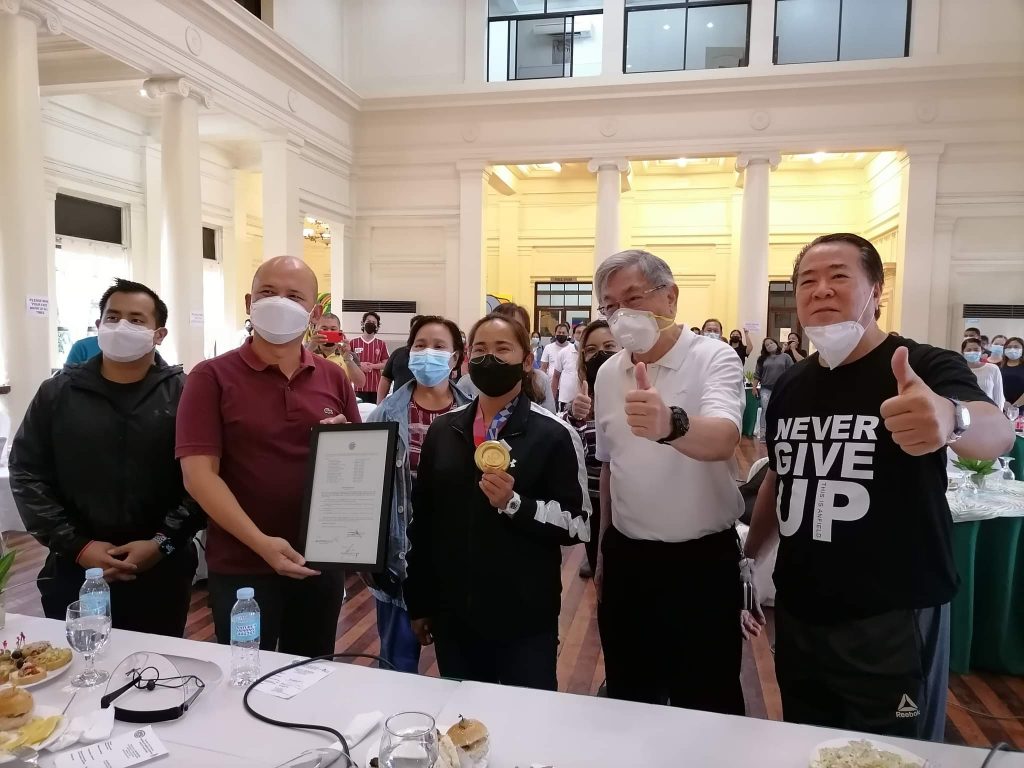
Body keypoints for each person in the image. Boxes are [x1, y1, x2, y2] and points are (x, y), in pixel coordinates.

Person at [742, 233, 1014, 743]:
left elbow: (995, 431)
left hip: (892, 613)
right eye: (807, 281)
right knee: (808, 742)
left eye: (838, 276)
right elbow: (781, 477)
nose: (821, 290)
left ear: (876, 290)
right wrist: (751, 559)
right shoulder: (794, 385)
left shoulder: (921, 365)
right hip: (802, 611)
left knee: (894, 751)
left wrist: (950, 418)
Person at [177, 256, 361, 657]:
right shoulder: (210, 377)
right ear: (249, 303)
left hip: (320, 559)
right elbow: (199, 475)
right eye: (267, 292)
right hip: (242, 564)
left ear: (313, 313)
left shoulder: (333, 377)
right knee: (245, 674)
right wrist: (261, 543)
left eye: (294, 296)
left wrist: (344, 444)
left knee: (312, 670)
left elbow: (357, 463)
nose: (279, 302)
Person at [592, 249, 746, 714]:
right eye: (610, 306)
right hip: (629, 559)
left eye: (633, 298)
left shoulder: (712, 357)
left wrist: (670, 425)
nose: (621, 315)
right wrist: (603, 549)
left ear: (670, 297)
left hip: (701, 562)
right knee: (629, 694)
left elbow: (725, 438)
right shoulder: (608, 373)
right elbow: (611, 467)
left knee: (707, 699)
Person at [404, 314, 591, 690]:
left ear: (527, 360)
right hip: (455, 615)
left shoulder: (554, 434)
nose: (489, 359)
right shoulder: (444, 431)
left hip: (525, 618)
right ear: (467, 359)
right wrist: (420, 601)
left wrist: (515, 504)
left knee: (528, 716)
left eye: (502, 349)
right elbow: (423, 523)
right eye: (480, 350)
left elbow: (577, 523)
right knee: (462, 713)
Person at [10, 279, 203, 637]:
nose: (121, 326)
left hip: (161, 568)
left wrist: (161, 543)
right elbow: (27, 472)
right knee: (75, 661)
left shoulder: (187, 394)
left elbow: (204, 480)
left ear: (159, 334)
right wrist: (77, 546)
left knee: (155, 663)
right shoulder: (58, 392)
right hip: (74, 567)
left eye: (136, 320)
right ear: (98, 325)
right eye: (112, 318)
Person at [365, 315, 471, 674]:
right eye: (420, 345)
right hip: (400, 559)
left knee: (462, 668)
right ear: (409, 353)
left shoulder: (475, 412)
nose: (428, 353)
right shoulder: (386, 413)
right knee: (397, 666)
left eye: (439, 347)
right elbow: (368, 489)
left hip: (457, 559)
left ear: (455, 358)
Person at [565, 320, 620, 579]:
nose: (600, 355)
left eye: (609, 346)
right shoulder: (582, 398)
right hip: (594, 496)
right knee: (599, 560)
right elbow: (575, 456)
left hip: (629, 497)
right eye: (591, 350)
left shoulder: (639, 393)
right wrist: (576, 417)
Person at [458, 303, 557, 413]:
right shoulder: (467, 383)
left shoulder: (540, 381)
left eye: (516, 327)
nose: (506, 331)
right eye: (480, 349)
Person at [306, 313, 366, 390]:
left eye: (333, 329)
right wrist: (310, 348)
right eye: (324, 329)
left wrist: (347, 359)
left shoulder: (349, 355)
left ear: (340, 332)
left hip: (340, 397)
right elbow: (294, 374)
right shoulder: (306, 350)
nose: (329, 332)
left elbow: (360, 383)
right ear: (316, 331)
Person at [753, 338, 793, 442]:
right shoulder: (761, 359)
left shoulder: (785, 357)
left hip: (782, 388)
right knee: (765, 410)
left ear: (776, 343)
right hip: (766, 388)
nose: (770, 345)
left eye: (771, 343)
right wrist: (754, 387)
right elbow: (757, 375)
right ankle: (763, 434)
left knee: (781, 410)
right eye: (767, 345)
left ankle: (780, 433)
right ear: (765, 348)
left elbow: (792, 371)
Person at [378, 315, 423, 402]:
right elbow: (385, 379)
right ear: (410, 331)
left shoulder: (432, 357)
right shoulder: (398, 354)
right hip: (398, 405)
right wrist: (380, 405)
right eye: (415, 328)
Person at [350, 311, 389, 404]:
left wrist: (372, 366)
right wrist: (360, 365)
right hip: (358, 387)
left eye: (374, 322)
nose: (370, 324)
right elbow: (347, 360)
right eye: (368, 321)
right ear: (363, 323)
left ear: (377, 326)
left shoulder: (381, 344)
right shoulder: (353, 342)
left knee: (374, 411)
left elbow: (386, 364)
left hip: (376, 388)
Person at [551, 323, 585, 412]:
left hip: (584, 402)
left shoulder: (591, 353)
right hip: (565, 400)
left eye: (584, 332)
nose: (581, 335)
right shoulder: (564, 352)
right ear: (573, 335)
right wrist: (552, 398)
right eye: (578, 332)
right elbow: (556, 376)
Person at [962, 337, 1005, 408]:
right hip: (965, 411)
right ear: (963, 352)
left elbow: (999, 397)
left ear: (981, 351)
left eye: (976, 350)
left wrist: (999, 413)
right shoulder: (959, 370)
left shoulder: (993, 369)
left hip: (989, 411)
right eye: (969, 350)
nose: (972, 352)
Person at [998, 337, 1024, 412]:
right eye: (1009, 347)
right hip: (1001, 406)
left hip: (1020, 408)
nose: (1012, 349)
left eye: (1016, 347)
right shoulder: (999, 366)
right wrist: (1003, 403)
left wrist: (1014, 406)